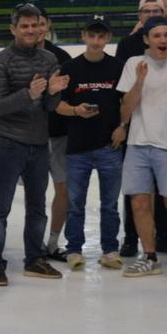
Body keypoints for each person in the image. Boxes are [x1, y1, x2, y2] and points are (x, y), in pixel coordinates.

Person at [0, 2, 69, 285]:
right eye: (24, 26)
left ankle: (35, 259)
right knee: (0, 208)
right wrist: (29, 94)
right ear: (13, 29)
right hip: (9, 145)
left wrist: (53, 94)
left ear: (42, 27)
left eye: (35, 25)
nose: (30, 30)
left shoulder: (48, 60)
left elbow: (50, 106)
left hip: (39, 144)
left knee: (37, 207)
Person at [117, 16, 167, 278]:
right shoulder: (132, 64)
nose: (163, 40)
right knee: (138, 202)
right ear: (146, 39)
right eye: (157, 35)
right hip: (138, 144)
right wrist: (139, 81)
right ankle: (149, 256)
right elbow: (124, 113)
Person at [56, 15, 126, 271]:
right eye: (92, 35)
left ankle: (110, 249)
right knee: (75, 205)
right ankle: (74, 249)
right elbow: (57, 105)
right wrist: (76, 111)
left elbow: (127, 102)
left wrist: (122, 127)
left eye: (101, 36)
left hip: (110, 146)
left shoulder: (118, 67)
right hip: (78, 148)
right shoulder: (69, 68)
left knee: (110, 205)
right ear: (84, 36)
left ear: (108, 38)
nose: (96, 41)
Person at [37, 6, 72, 261]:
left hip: (59, 135)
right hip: (29, 137)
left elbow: (67, 98)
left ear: (47, 25)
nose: (36, 28)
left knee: (63, 189)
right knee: (34, 193)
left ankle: (52, 242)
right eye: (30, 23)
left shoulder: (61, 56)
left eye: (40, 22)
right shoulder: (12, 57)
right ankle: (34, 243)